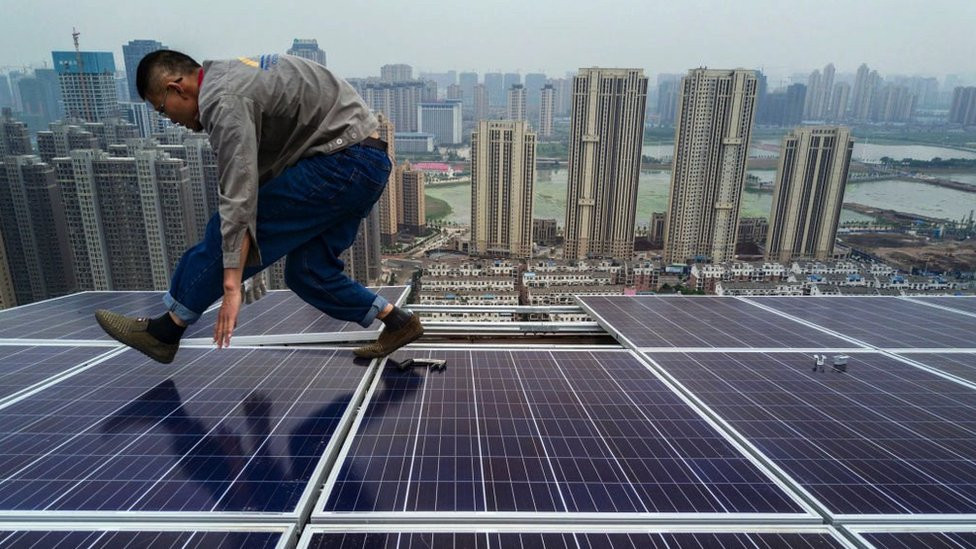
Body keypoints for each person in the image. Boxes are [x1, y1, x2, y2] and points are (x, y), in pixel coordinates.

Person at [95, 50, 423, 363]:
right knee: (308, 271)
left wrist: (231, 284)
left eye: (162, 110)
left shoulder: (221, 100)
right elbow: (263, 172)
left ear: (176, 88)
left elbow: (239, 198)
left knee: (223, 229)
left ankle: (166, 330)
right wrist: (245, 262)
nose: (170, 120)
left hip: (341, 163)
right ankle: (398, 322)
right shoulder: (232, 78)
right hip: (367, 163)